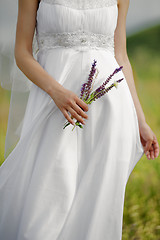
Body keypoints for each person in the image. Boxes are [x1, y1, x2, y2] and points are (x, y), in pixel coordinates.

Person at [0, 0, 159, 239]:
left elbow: (121, 56)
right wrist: (56, 92)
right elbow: (22, 54)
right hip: (53, 108)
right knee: (47, 199)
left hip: (111, 111)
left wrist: (140, 120)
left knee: (96, 206)